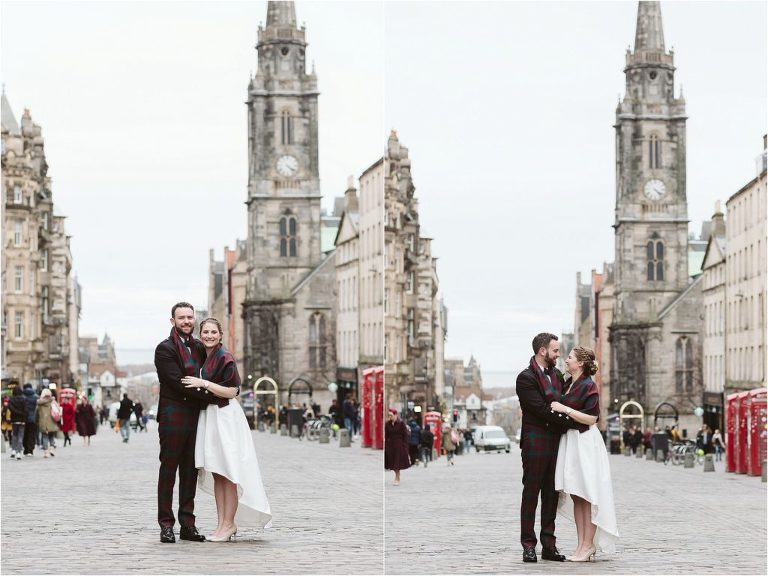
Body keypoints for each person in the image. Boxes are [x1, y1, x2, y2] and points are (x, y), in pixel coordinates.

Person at [181, 317, 272, 541]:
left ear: (220, 335)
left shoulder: (224, 357)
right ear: (200, 334)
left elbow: (232, 391)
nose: (209, 335)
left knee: (228, 473)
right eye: (205, 332)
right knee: (218, 472)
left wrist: (204, 383)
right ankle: (221, 523)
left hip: (225, 417)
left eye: (213, 332)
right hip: (211, 416)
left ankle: (229, 523)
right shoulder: (206, 356)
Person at [155, 302, 228, 544]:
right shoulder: (164, 349)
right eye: (181, 317)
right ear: (172, 320)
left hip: (197, 416)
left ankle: (188, 524)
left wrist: (208, 387)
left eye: (189, 317)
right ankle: (166, 525)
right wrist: (213, 394)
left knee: (190, 472)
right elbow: (179, 382)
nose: (186, 321)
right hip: (172, 416)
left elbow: (207, 376)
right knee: (168, 471)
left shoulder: (199, 347)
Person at [515, 332, 582, 563]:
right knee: (531, 494)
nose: (558, 354)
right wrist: (571, 421)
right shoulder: (525, 378)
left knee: (552, 496)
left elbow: (562, 404)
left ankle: (549, 545)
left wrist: (568, 415)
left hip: (556, 443)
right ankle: (528, 545)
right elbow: (541, 410)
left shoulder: (557, 375)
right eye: (555, 350)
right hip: (535, 444)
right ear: (542, 351)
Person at [551, 346, 619, 562]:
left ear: (580, 363)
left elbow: (592, 418)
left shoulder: (589, 385)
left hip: (585, 442)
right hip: (572, 440)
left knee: (587, 495)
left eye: (569, 357)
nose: (566, 360)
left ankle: (588, 544)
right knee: (577, 494)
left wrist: (566, 409)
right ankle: (581, 544)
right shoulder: (570, 383)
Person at [384, 408, 410, 485]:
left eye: (391, 415)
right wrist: (386, 444)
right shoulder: (387, 424)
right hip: (390, 445)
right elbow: (386, 435)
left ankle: (397, 478)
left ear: (395, 415)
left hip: (399, 445)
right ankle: (397, 475)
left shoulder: (401, 423)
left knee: (397, 462)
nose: (390, 417)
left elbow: (405, 435)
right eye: (389, 416)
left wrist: (405, 445)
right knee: (392, 462)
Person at [36, 389, 60, 458]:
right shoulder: (53, 402)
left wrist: (36, 420)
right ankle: (52, 449)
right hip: (52, 422)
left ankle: (46, 452)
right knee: (51, 436)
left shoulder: (39, 403)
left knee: (44, 437)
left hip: (43, 422)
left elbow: (36, 413)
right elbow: (58, 410)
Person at [8, 387, 27, 460]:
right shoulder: (23, 399)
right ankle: (18, 452)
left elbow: (10, 408)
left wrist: (16, 412)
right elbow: (26, 410)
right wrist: (22, 415)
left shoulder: (11, 399)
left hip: (14, 420)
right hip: (22, 420)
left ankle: (13, 450)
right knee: (20, 436)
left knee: (14, 435)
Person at [22, 383, 39, 457]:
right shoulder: (36, 397)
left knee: (24, 434)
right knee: (32, 434)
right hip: (33, 418)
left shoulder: (22, 397)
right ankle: (30, 450)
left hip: (23, 418)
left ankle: (25, 449)